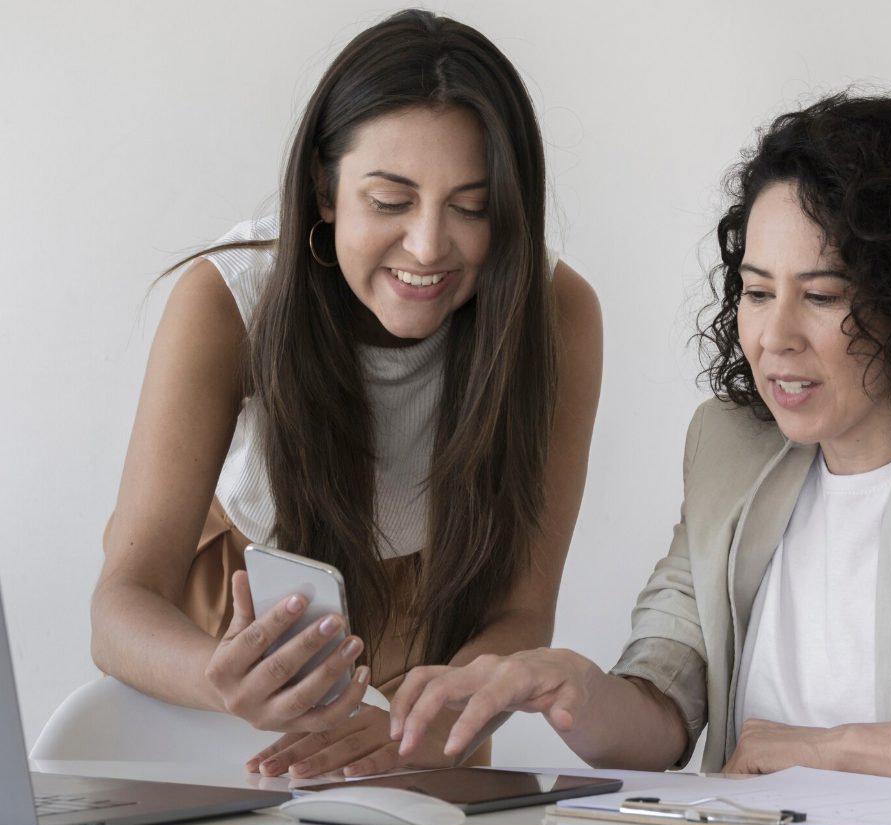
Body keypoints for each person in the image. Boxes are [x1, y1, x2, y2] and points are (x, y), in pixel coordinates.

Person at [384, 93, 891, 783]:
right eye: (757, 292)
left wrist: (833, 752)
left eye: (822, 295)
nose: (775, 336)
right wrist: (565, 687)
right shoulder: (730, 448)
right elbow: (659, 719)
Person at [89, 9, 602, 780]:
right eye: (390, 201)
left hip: (441, 669)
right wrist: (218, 680)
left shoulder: (558, 314)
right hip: (235, 629)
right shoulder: (229, 299)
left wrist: (444, 718)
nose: (429, 246)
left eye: (471, 206)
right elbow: (119, 608)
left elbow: (523, 611)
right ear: (325, 190)